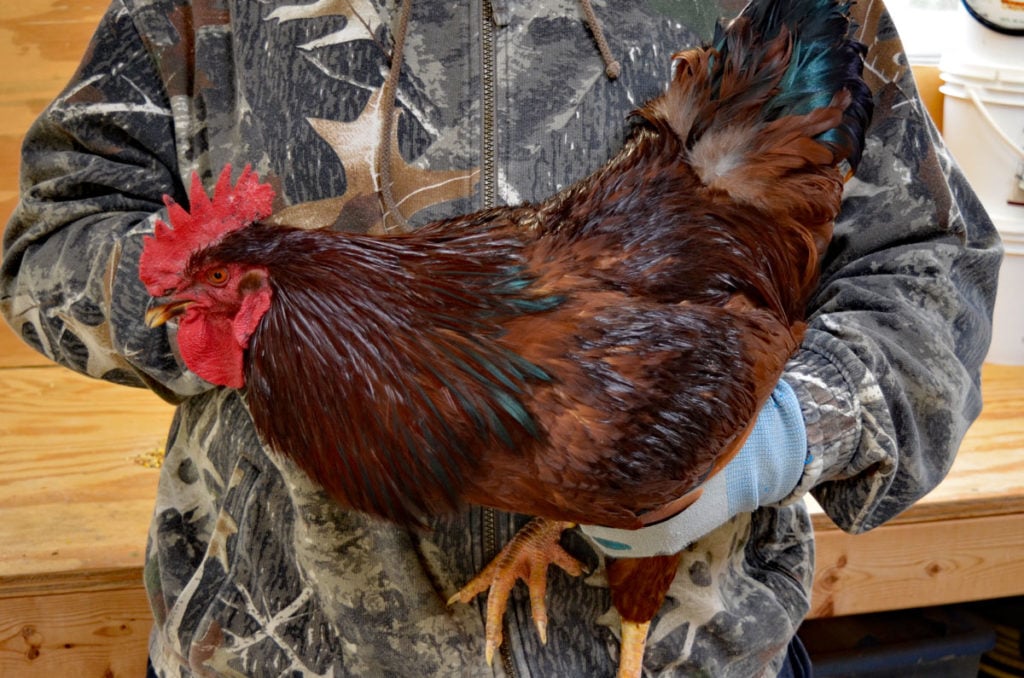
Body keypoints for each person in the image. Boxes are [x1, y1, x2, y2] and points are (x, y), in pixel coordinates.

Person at [0, 0, 1001, 675]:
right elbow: (53, 234)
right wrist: (254, 320)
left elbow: (927, 281)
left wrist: (775, 432)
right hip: (277, 644)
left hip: (674, 650)